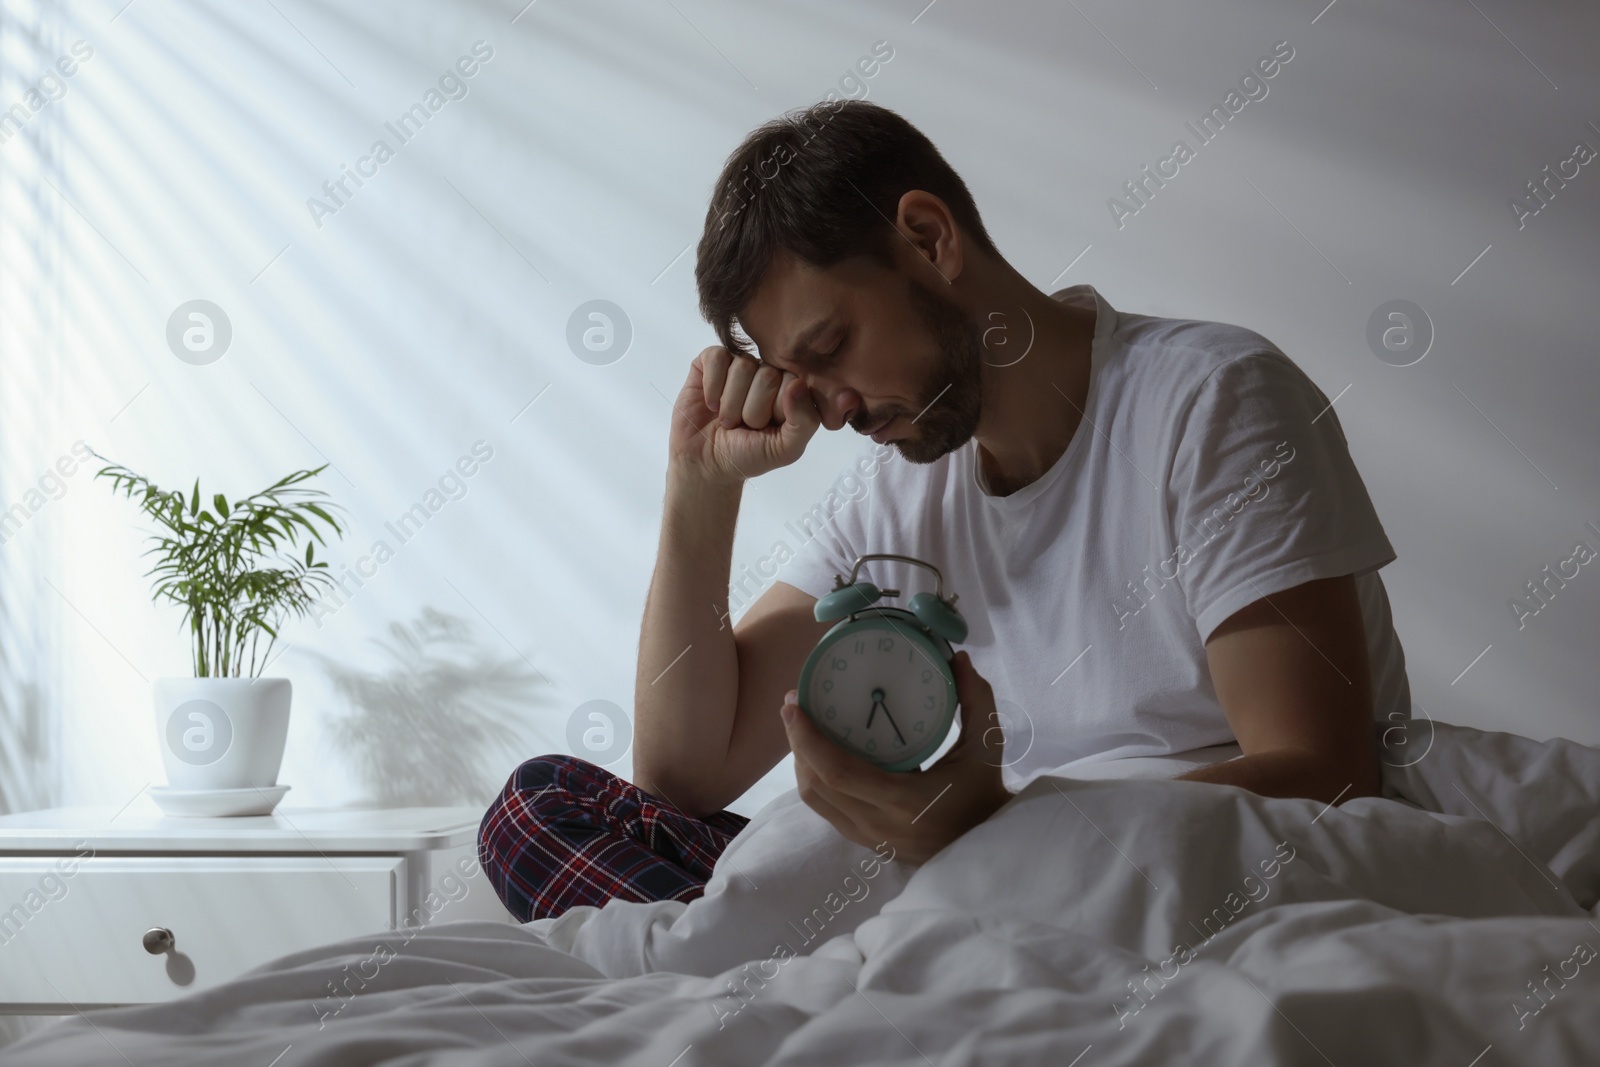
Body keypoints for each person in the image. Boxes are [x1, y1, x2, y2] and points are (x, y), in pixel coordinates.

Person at [479, 99, 1411, 923]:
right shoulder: (899, 497)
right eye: (804, 378)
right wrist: (699, 486)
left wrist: (994, 833)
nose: (834, 409)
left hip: (1134, 877)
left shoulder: (1211, 399)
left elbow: (1322, 777)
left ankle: (781, 971)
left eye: (833, 344)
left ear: (929, 239)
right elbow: (683, 775)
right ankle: (795, 964)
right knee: (538, 804)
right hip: (943, 868)